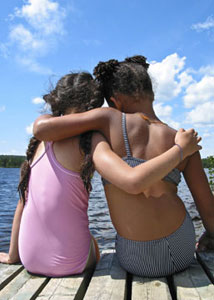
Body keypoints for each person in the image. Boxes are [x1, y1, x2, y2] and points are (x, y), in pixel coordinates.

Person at [0, 70, 200, 277]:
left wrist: (13, 255)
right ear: (93, 108)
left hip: (29, 258)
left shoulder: (39, 143)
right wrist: (181, 150)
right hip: (71, 262)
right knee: (92, 240)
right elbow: (132, 181)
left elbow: (23, 202)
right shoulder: (91, 141)